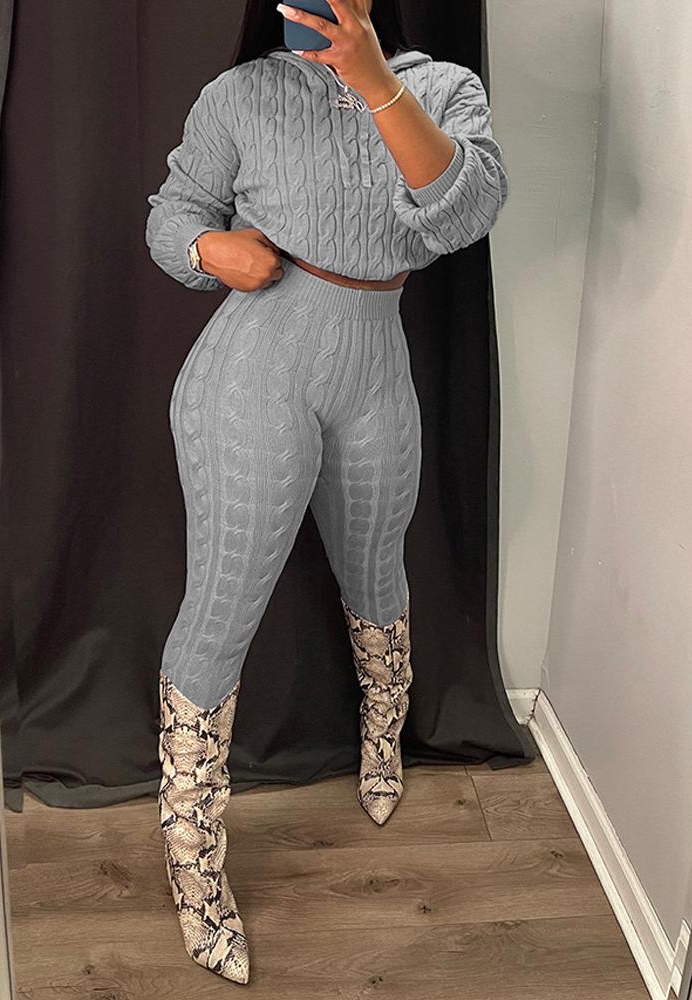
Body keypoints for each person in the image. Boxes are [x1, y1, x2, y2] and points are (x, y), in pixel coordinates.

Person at [145, 0, 509, 984]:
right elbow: (172, 211)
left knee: (376, 571)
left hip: (375, 370)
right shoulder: (242, 93)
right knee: (220, 610)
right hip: (254, 368)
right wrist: (206, 249)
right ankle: (193, 863)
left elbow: (464, 211)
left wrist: (375, 80)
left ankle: (382, 739)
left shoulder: (439, 87)